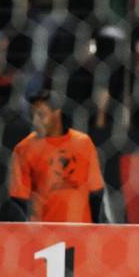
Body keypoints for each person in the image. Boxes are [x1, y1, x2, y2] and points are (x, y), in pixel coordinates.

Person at [9, 90, 105, 223]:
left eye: (41, 115)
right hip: (43, 234)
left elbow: (96, 191)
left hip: (81, 231)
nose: (35, 121)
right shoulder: (24, 148)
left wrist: (95, 228)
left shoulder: (83, 143)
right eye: (33, 115)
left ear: (57, 113)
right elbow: (18, 199)